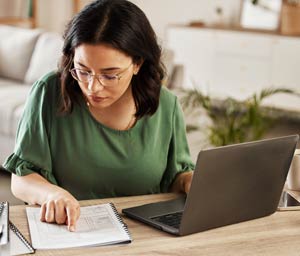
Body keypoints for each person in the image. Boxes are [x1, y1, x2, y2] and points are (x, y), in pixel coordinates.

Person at [3, 0, 194, 232]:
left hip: (147, 235)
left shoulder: (166, 105)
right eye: (83, 71)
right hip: (70, 232)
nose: (93, 87)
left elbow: (176, 178)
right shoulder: (49, 92)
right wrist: (52, 194)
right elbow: (21, 178)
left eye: (110, 75)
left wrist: (189, 181)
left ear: (137, 64)